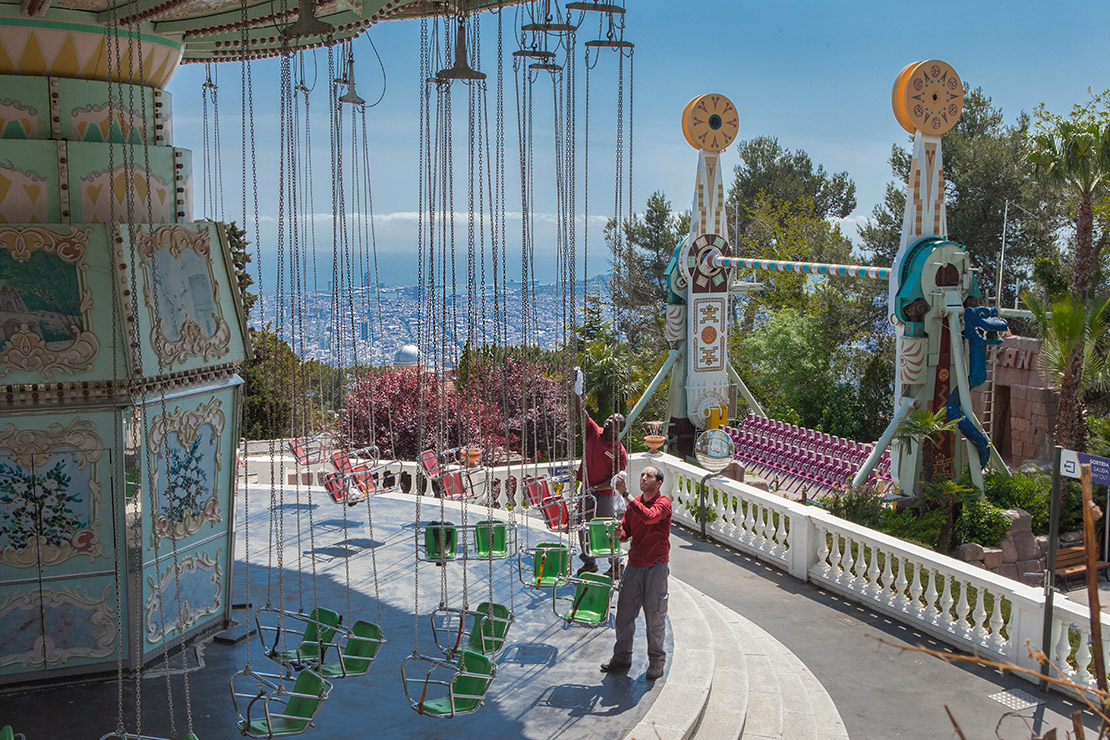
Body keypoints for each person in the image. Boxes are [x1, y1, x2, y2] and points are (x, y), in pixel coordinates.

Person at [601, 465, 672, 681]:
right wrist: (618, 533)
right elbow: (626, 533)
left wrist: (626, 495)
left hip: (655, 568)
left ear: (658, 483)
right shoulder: (634, 504)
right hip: (634, 566)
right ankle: (622, 657)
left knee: (655, 617)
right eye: (642, 475)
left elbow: (650, 517)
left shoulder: (663, 503)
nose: (644, 478)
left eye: (649, 476)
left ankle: (656, 662)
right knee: (624, 614)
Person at [573, 367, 628, 577]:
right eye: (608, 418)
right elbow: (581, 412)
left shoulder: (619, 451)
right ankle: (589, 562)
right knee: (581, 527)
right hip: (586, 490)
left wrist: (598, 487)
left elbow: (617, 479)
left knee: (604, 530)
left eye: (614, 421)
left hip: (603, 496)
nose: (608, 421)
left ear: (618, 428)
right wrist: (577, 391)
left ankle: (616, 565)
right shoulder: (593, 432)